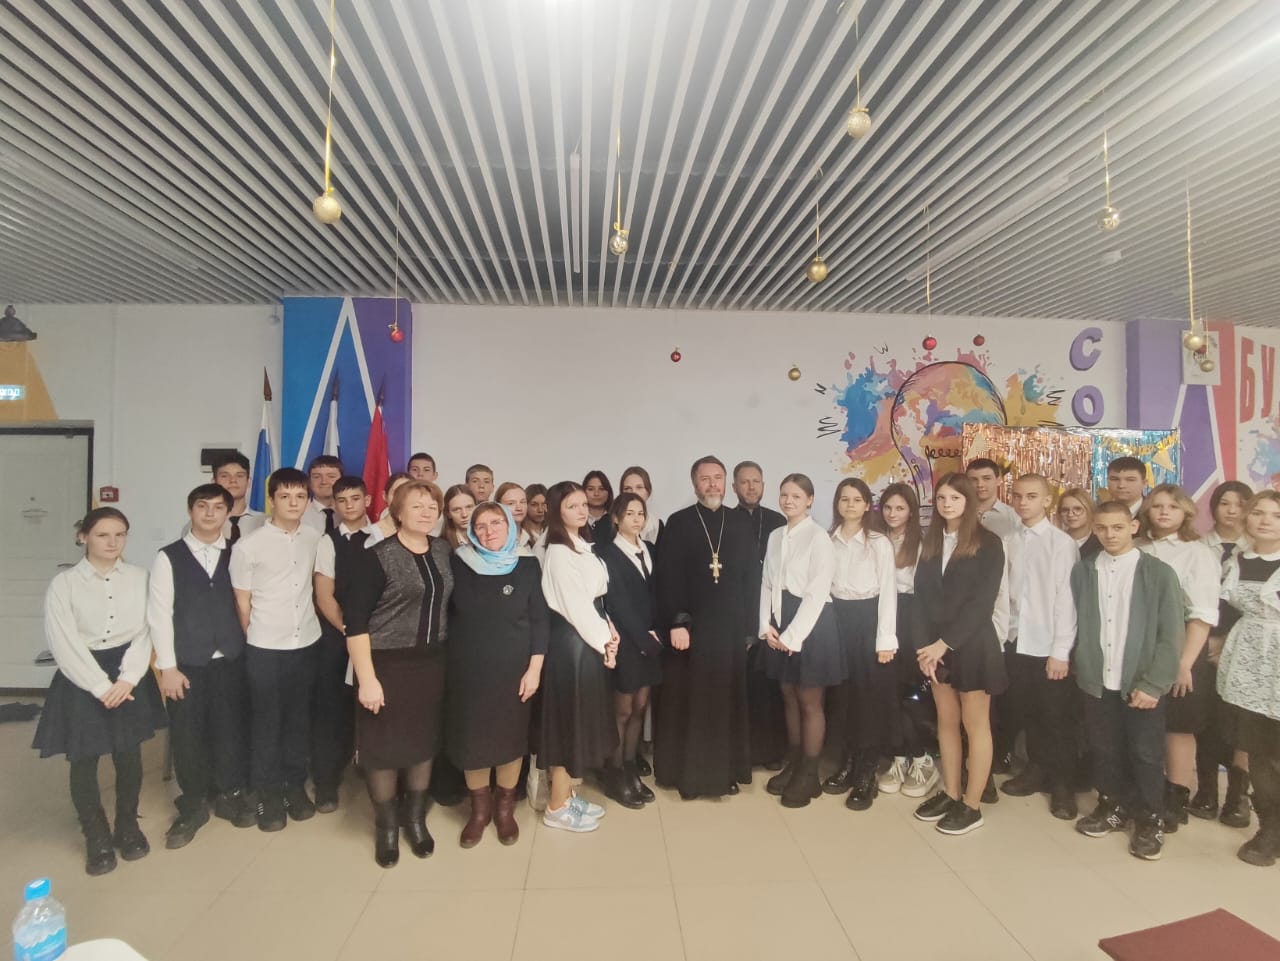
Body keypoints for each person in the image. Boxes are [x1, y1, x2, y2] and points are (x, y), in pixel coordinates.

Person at [33, 508, 166, 876]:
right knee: (84, 757)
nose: (112, 542)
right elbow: (63, 641)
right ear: (84, 537)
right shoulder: (65, 584)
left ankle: (127, 825)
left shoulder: (140, 577)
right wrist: (100, 685)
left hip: (128, 672)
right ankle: (95, 833)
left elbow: (146, 631)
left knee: (128, 754)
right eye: (103, 535)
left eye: (119, 535)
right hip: (82, 673)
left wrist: (128, 679)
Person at [343, 481, 453, 866]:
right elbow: (355, 623)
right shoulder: (376, 557)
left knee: (423, 743)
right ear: (398, 512)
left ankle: (415, 819)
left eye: (432, 506)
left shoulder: (443, 550)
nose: (426, 512)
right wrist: (367, 679)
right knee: (383, 750)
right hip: (386, 665)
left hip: (431, 664)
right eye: (417, 505)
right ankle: (387, 826)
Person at [1071, 500, 1183, 860]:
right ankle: (1112, 805)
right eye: (1102, 528)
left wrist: (1155, 683)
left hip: (1140, 680)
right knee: (1105, 748)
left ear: (1133, 526)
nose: (1110, 535)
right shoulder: (1085, 570)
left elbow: (1171, 635)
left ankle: (1150, 818)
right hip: (1098, 678)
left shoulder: (1158, 574)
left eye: (1117, 527)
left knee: (1145, 752)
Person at [148, 485, 253, 850]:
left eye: (218, 507)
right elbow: (159, 615)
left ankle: (227, 793)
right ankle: (192, 804)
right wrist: (167, 667)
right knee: (188, 734)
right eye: (202, 506)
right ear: (190, 510)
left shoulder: (239, 552)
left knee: (229, 729)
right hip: (187, 663)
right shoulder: (169, 557)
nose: (210, 513)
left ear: (228, 512)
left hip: (231, 658)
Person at [448, 502, 548, 847]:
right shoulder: (458, 563)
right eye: (480, 525)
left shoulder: (528, 565)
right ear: (471, 531)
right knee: (473, 740)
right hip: (469, 670)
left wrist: (534, 669)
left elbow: (540, 620)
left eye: (496, 523)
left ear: (509, 526)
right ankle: (479, 811)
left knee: (510, 740)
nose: (489, 531)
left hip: (515, 670)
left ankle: (504, 809)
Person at [654, 456, 754, 799]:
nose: (712, 484)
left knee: (725, 702)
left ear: (726, 482)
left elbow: (751, 578)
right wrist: (677, 621)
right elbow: (667, 577)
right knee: (691, 702)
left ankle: (724, 773)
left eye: (718, 478)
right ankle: (689, 776)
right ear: (694, 483)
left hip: (729, 629)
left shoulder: (739, 523)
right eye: (705, 478)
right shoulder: (679, 522)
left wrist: (749, 629)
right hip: (692, 630)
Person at [912, 473, 1007, 836]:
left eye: (954, 498)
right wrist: (925, 649)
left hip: (972, 645)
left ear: (968, 501)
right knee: (946, 722)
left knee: (975, 724)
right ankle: (951, 793)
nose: (947, 504)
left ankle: (972, 804)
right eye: (941, 498)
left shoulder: (988, 543)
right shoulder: (932, 541)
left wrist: (944, 644)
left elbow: (982, 603)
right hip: (935, 650)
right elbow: (920, 598)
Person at [230, 468, 323, 831]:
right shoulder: (248, 546)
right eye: (285, 496)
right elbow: (242, 603)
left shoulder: (314, 538)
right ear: (271, 500)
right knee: (267, 723)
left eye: (300, 497)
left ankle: (294, 787)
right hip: (266, 647)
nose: (293, 503)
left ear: (308, 501)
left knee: (299, 720)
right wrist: (257, 636)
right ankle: (267, 794)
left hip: (307, 642)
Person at [1137, 484, 1220, 831]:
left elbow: (1201, 615)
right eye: (1157, 506)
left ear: (1185, 512)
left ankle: (1176, 797)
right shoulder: (1138, 547)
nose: (1163, 512)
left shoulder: (1197, 553)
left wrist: (1184, 663)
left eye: (1172, 506)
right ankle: (1147, 793)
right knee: (1144, 724)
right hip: (1140, 647)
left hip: (1182, 648)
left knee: (1178, 726)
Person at [997, 474, 1080, 820]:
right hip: (1016, 640)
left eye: (1031, 496)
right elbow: (1005, 594)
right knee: (1028, 713)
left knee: (1055, 718)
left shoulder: (1061, 543)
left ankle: (1062, 786)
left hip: (1047, 644)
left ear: (1047, 501)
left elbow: (1067, 599)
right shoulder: (1008, 540)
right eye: (1017, 496)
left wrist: (1060, 651)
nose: (1022, 502)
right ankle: (1035, 769)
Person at [759, 474, 843, 808]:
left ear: (809, 500)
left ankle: (809, 774)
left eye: (796, 495)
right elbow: (767, 582)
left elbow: (817, 592)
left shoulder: (819, 537)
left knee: (809, 700)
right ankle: (794, 763)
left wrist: (793, 636)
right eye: (784, 495)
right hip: (781, 620)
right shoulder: (776, 535)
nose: (788, 500)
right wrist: (765, 625)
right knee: (788, 694)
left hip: (811, 624)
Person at [539, 481, 619, 831]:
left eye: (584, 504)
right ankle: (556, 806)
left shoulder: (581, 545)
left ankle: (568, 795)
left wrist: (609, 630)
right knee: (568, 722)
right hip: (573, 641)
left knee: (580, 719)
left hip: (588, 635)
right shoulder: (558, 550)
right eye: (572, 506)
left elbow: (595, 600)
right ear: (557, 512)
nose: (582, 510)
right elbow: (575, 607)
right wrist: (606, 643)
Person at [821, 478, 897, 810]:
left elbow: (889, 592)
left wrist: (885, 639)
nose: (850, 505)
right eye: (844, 499)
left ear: (867, 505)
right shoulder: (828, 540)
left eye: (856, 499)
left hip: (869, 621)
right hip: (837, 620)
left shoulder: (878, 543)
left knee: (868, 698)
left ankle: (867, 772)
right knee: (843, 697)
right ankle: (847, 763)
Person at [311, 476, 383, 812]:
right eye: (342, 500)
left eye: (355, 498)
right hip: (338, 636)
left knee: (376, 706)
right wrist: (348, 629)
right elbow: (324, 594)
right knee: (332, 709)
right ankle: (327, 781)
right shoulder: (328, 542)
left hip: (379, 637)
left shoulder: (382, 536)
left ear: (367, 500)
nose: (349, 505)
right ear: (335, 505)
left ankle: (376, 774)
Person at [1217, 491, 1280, 866]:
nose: (1266, 520)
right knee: (1259, 750)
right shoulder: (1237, 560)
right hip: (1248, 662)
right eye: (1259, 512)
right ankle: (1268, 828)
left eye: (1276, 514)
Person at [595, 492, 663, 808]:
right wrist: (645, 641)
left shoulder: (649, 548)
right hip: (626, 642)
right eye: (630, 514)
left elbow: (659, 594)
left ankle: (631, 767)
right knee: (621, 711)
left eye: (640, 513)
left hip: (651, 640)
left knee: (640, 707)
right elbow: (617, 605)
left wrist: (657, 634)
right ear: (616, 518)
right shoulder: (606, 554)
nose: (636, 519)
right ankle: (614, 774)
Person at [1193, 480, 1255, 824]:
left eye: (1240, 504)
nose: (1232, 511)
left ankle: (1237, 797)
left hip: (1242, 648)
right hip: (1201, 645)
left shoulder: (1258, 550)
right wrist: (1206, 641)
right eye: (1224, 503)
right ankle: (1205, 792)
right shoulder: (1197, 546)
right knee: (1204, 720)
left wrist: (1227, 641)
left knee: (1239, 724)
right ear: (1213, 507)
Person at [875, 483, 940, 800]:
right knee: (887, 693)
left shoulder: (923, 544)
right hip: (880, 617)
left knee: (910, 694)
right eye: (888, 507)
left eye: (899, 508)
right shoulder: (876, 539)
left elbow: (928, 594)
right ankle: (899, 756)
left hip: (911, 620)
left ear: (911, 511)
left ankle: (922, 758)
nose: (892, 513)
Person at [733, 460, 788, 771]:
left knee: (771, 687)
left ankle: (772, 751)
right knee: (741, 688)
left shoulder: (779, 522)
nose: (751, 487)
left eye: (756, 481)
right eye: (744, 481)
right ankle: (741, 752)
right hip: (738, 612)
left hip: (774, 617)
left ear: (764, 485)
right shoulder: (726, 520)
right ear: (734, 487)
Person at [211, 452, 265, 543]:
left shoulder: (265, 522)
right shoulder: (202, 523)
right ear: (214, 482)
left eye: (239, 476)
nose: (233, 480)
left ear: (249, 482)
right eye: (225, 476)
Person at [966, 458, 1018, 539]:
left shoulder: (1014, 517)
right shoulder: (958, 514)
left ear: (998, 480)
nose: (980, 484)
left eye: (986, 478)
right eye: (974, 480)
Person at [619, 466, 664, 543]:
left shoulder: (657, 525)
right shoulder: (610, 522)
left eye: (639, 487)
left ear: (648, 491)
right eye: (627, 488)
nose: (633, 492)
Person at [301, 454, 344, 534]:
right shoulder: (299, 513)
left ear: (342, 480)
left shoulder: (351, 512)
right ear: (309, 481)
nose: (324, 481)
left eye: (331, 476)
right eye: (317, 477)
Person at [1056, 487, 1102, 560]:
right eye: (1065, 510)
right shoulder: (1054, 542)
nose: (1070, 514)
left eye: (1078, 509)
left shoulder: (1101, 543)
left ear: (1089, 510)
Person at [496, 481, 535, 554]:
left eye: (522, 502)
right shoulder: (494, 540)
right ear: (498, 507)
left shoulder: (530, 537)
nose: (519, 508)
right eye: (511, 503)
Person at [376, 472, 412, 539]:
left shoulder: (427, 530)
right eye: (396, 492)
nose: (401, 498)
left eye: (408, 493)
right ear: (385, 496)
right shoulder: (369, 534)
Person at [443, 484, 477, 549]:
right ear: (448, 513)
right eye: (457, 510)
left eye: (469, 507)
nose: (464, 515)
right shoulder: (441, 546)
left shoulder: (488, 538)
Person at [582, 470, 614, 538]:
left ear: (609, 492)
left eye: (601, 489)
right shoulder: (577, 520)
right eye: (590, 489)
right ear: (583, 492)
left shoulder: (616, 520)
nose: (596, 493)